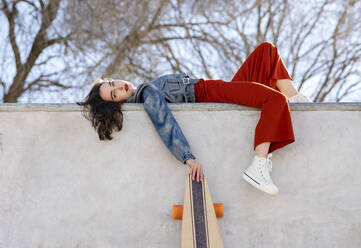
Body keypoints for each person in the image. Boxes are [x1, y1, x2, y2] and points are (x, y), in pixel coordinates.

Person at [77, 42, 312, 196]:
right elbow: (164, 123)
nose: (118, 86)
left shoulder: (145, 88)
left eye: (111, 84)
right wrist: (187, 157)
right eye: (114, 94)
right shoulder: (147, 95)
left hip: (215, 89)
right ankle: (258, 165)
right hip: (211, 95)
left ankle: (297, 101)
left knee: (266, 52)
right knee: (274, 100)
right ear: (118, 103)